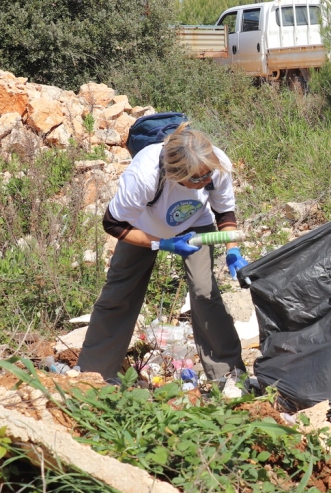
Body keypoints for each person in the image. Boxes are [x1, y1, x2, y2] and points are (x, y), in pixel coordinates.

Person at [78, 124, 250, 396]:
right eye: (197, 179)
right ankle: (94, 376)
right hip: (142, 228)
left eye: (208, 176)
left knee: (205, 292)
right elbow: (112, 224)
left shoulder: (215, 164)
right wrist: (163, 243)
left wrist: (232, 249)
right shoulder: (145, 174)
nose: (205, 182)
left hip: (196, 224)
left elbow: (224, 212)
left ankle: (229, 376)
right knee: (120, 294)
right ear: (175, 173)